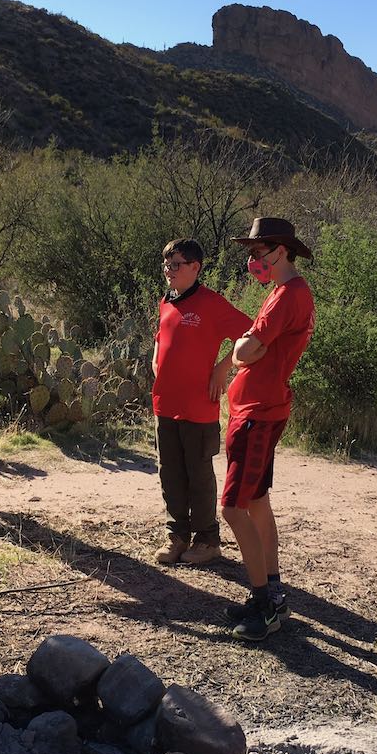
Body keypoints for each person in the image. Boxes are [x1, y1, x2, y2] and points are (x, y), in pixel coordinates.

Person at [221, 217, 315, 642]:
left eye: (259, 252)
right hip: (259, 407)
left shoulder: (286, 296)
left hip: (257, 413)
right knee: (256, 500)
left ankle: (265, 603)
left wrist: (243, 348)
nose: (253, 259)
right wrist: (245, 350)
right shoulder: (286, 292)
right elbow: (249, 350)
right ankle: (271, 589)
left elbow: (247, 349)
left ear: (281, 251)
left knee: (233, 507)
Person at [151, 238, 251, 565]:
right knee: (171, 474)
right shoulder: (167, 301)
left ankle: (208, 540)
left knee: (198, 475)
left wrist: (224, 368)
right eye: (166, 264)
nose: (169, 270)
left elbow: (251, 335)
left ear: (195, 267)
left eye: (176, 264)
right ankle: (177, 536)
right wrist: (156, 360)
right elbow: (160, 339)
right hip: (165, 404)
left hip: (199, 407)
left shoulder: (212, 303)